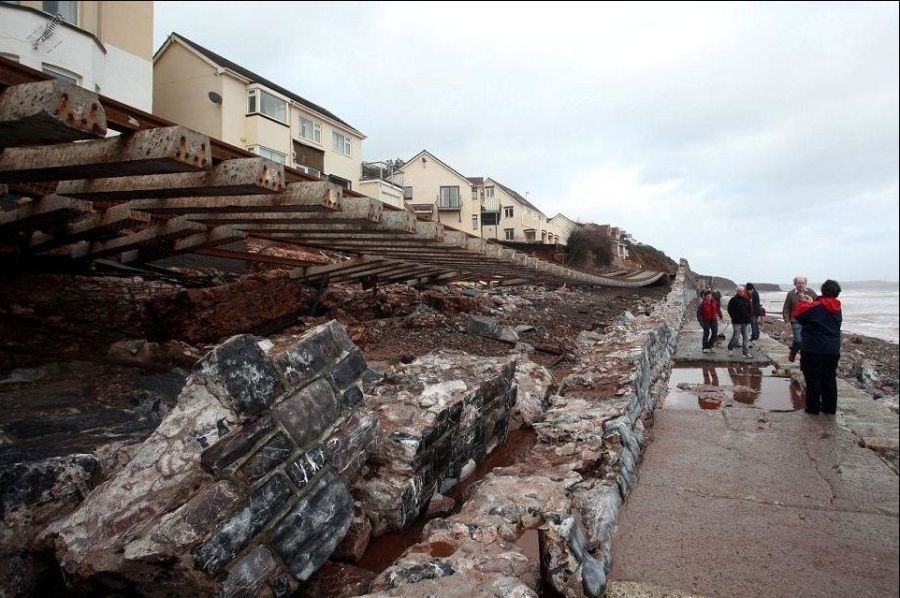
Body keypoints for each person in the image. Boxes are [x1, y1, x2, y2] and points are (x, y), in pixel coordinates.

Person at [793, 280, 842, 414]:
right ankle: (829, 408)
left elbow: (798, 315)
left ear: (823, 290)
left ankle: (813, 408)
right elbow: (822, 313)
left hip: (813, 349)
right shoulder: (838, 308)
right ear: (837, 293)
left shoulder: (815, 307)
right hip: (832, 349)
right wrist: (811, 303)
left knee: (813, 378)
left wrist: (804, 302)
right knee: (829, 378)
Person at [782, 275, 817, 362]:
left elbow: (818, 304)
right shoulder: (791, 294)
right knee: (798, 340)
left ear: (805, 284)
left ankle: (804, 360)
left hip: (808, 321)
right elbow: (786, 308)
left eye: (803, 283)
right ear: (795, 284)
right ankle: (793, 351)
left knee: (807, 342)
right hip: (795, 321)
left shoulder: (811, 292)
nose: (801, 285)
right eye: (799, 283)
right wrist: (787, 321)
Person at [727, 285, 753, 358]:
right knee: (736, 337)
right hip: (737, 322)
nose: (741, 292)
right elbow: (729, 310)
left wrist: (749, 317)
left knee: (746, 338)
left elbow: (751, 309)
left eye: (742, 291)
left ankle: (745, 353)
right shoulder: (733, 299)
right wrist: (734, 317)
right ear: (737, 292)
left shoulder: (747, 299)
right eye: (740, 291)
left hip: (746, 322)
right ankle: (730, 348)